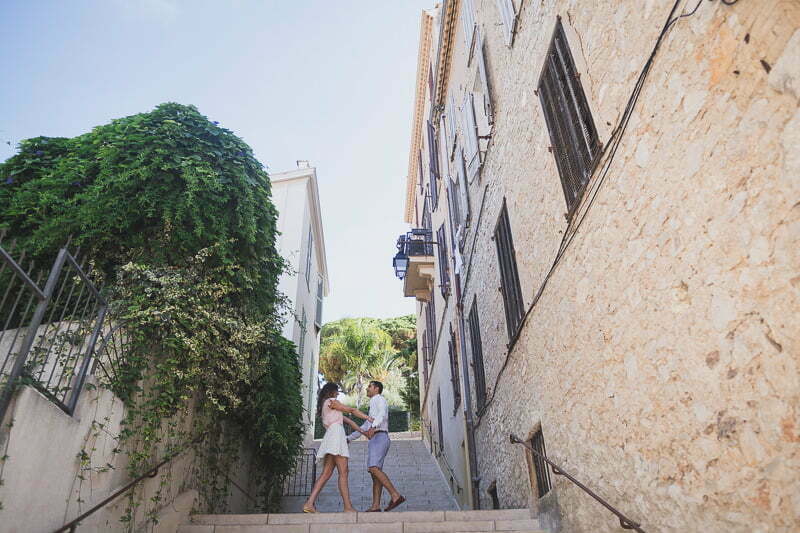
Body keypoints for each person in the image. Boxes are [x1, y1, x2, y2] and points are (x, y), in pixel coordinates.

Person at [303, 382, 372, 513]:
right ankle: (348, 507)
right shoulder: (331, 401)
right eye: (336, 391)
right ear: (331, 391)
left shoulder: (329, 408)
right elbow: (351, 410)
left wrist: (365, 433)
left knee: (327, 473)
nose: (338, 393)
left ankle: (309, 503)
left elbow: (350, 422)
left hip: (331, 436)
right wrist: (368, 417)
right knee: (343, 472)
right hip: (336, 435)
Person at [347, 380, 406, 512]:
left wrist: (373, 427)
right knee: (375, 473)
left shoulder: (379, 399)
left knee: (373, 468)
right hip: (375, 439)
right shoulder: (372, 404)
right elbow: (365, 426)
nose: (367, 388)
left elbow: (382, 415)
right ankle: (375, 506)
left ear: (377, 388)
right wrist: (349, 438)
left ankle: (395, 495)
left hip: (380, 437)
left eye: (369, 386)